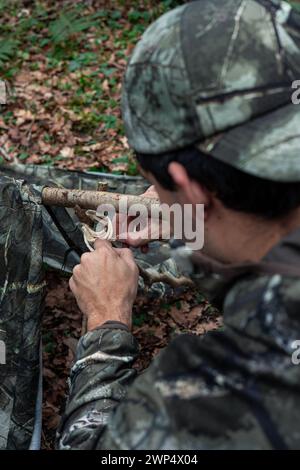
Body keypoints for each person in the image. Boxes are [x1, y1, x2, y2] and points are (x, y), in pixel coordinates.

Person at [57, 0, 300, 449]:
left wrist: (106, 324)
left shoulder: (214, 399)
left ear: (187, 187)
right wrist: (190, 220)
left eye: (159, 187)